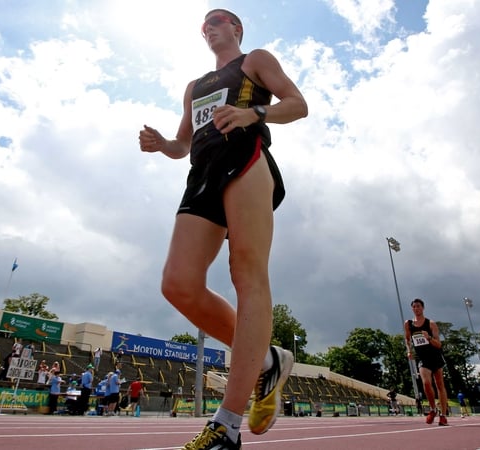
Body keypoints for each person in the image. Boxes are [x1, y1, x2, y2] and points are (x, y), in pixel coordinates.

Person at [138, 8, 307, 448]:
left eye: (219, 20)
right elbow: (184, 144)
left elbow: (297, 104)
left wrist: (255, 114)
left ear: (237, 29)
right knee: (178, 284)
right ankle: (267, 359)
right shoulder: (194, 88)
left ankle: (226, 426)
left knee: (246, 274)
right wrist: (163, 145)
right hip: (202, 172)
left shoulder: (254, 61)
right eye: (204, 24)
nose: (209, 27)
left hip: (246, 158)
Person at [404, 298, 449, 426]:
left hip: (435, 356)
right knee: (427, 383)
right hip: (422, 358)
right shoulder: (408, 324)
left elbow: (438, 344)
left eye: (418, 306)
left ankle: (443, 415)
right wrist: (409, 350)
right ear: (412, 309)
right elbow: (407, 339)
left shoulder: (431, 324)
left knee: (440, 385)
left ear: (423, 308)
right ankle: (433, 409)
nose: (416, 308)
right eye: (414, 307)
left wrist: (428, 337)